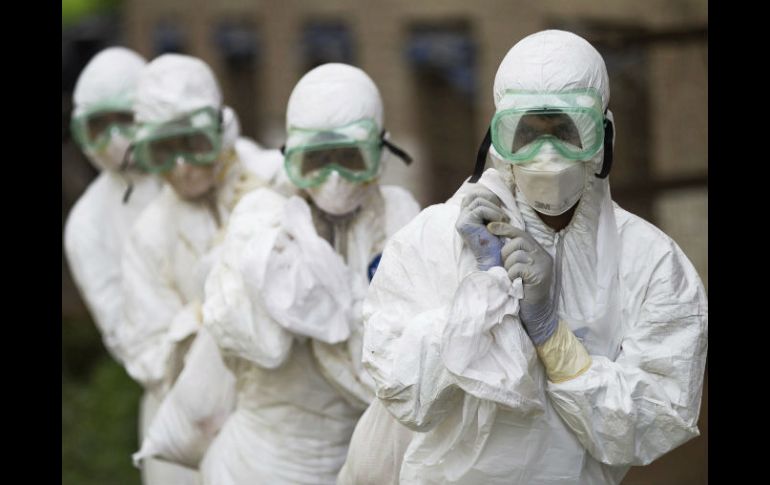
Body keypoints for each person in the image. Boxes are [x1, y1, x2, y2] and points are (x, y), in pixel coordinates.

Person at [349, 29, 708, 484]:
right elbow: (403, 393)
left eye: (565, 131)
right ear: (500, 141)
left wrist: (550, 334)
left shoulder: (652, 263)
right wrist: (478, 297)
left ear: (602, 134)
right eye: (528, 134)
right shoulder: (434, 239)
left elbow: (656, 423)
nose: (547, 154)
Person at [200, 63, 420, 484]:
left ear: (380, 151)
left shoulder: (399, 216)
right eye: (316, 161)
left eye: (351, 158)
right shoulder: (261, 218)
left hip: (362, 460)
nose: (335, 179)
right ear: (289, 157)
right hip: (261, 465)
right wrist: (281, 274)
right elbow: (254, 341)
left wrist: (338, 302)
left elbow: (405, 361)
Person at [116, 53, 286, 484]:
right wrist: (206, 308)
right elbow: (149, 356)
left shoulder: (275, 176)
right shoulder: (149, 235)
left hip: (282, 412)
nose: (182, 167)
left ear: (221, 129)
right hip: (193, 430)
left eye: (193, 144)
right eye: (163, 151)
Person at [64, 47, 161, 364]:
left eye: (126, 119)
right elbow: (124, 337)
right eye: (99, 126)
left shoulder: (203, 169)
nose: (116, 139)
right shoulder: (87, 223)